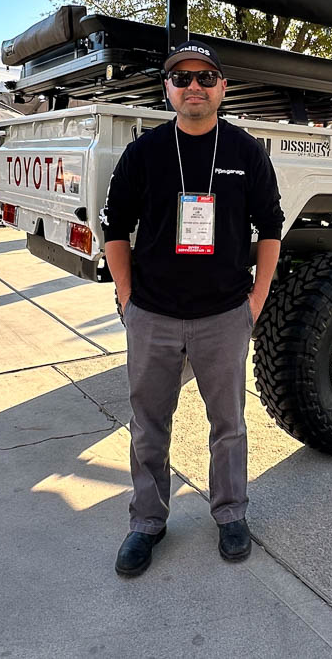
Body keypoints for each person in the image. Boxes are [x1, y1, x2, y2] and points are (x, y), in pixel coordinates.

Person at [103, 40, 284, 578]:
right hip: (152, 315)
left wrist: (256, 301)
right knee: (148, 424)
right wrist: (128, 298)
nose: (194, 87)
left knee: (227, 423)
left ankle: (231, 514)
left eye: (205, 77)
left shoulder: (245, 152)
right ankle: (146, 523)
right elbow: (114, 228)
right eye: (181, 79)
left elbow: (271, 229)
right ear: (168, 91)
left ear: (223, 88)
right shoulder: (144, 153)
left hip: (224, 315)